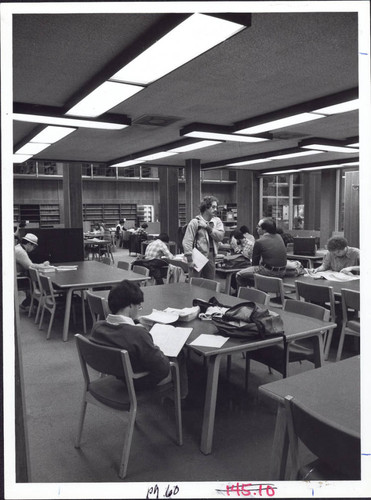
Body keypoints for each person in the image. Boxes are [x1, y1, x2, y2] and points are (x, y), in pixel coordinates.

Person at [90, 280, 188, 399]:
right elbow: (163, 369)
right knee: (180, 353)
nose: (138, 309)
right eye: (138, 306)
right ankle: (180, 398)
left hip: (118, 374)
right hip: (137, 380)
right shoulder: (138, 334)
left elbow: (122, 335)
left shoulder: (97, 327)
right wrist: (154, 345)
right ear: (130, 305)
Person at [235, 218, 287, 289]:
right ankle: (261, 288)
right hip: (282, 271)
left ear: (264, 230)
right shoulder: (279, 237)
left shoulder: (260, 242)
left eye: (258, 226)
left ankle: (248, 294)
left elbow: (254, 264)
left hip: (269, 271)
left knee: (239, 275)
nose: (257, 228)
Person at [182, 196, 225, 280]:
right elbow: (187, 241)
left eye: (216, 207)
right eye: (213, 207)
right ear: (206, 207)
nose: (215, 209)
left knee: (210, 283)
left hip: (212, 255)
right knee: (195, 283)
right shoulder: (195, 222)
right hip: (197, 255)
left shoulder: (217, 221)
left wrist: (207, 227)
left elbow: (220, 237)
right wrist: (190, 260)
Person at [15, 233, 51, 309]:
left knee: (34, 280)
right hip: (17, 280)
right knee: (38, 284)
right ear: (28, 244)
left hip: (16, 276)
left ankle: (30, 303)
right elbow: (30, 266)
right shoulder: (21, 252)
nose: (34, 248)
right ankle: (30, 303)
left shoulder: (18, 248)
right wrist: (43, 265)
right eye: (34, 246)